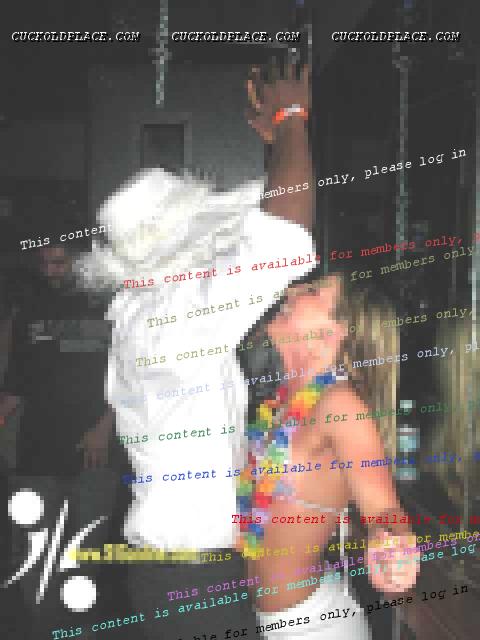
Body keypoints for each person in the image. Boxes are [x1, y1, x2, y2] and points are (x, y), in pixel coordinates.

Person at [75, 63, 316, 638]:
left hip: (177, 568)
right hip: (192, 577)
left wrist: (280, 144)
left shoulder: (145, 309)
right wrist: (291, 119)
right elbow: (284, 239)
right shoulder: (174, 316)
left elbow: (264, 239)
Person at [237, 273, 419, 638]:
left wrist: (392, 544)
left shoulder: (339, 404)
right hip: (265, 621)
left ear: (340, 329)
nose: (290, 289)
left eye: (311, 290)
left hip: (314, 627)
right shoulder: (279, 402)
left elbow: (383, 509)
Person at [0, 243, 116, 636]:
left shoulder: (111, 305)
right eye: (43, 263)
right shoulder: (29, 310)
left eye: (59, 262)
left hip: (95, 451)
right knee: (31, 549)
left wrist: (104, 426)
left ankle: (76, 630)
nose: (50, 271)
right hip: (36, 448)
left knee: (84, 553)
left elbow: (131, 376)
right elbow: (17, 384)